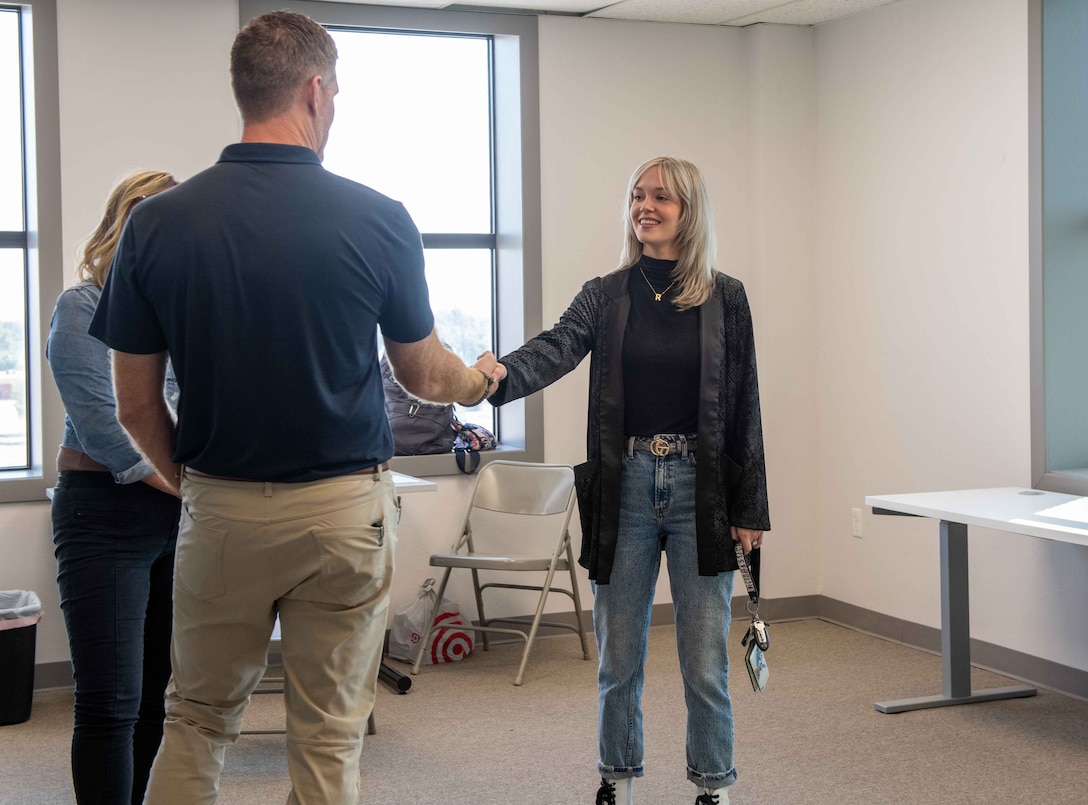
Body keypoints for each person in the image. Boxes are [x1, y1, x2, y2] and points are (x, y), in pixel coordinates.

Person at [88, 11, 494, 805]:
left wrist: (199, 487)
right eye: (335, 93)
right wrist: (478, 382)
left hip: (219, 508)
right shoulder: (378, 217)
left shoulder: (155, 224)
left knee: (196, 720)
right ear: (315, 91)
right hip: (342, 514)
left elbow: (134, 404)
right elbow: (423, 375)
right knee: (329, 736)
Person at [483, 156, 771, 805]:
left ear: (689, 210)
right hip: (627, 486)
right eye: (638, 195)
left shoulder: (726, 296)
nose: (645, 206)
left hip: (703, 488)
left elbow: (746, 401)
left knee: (705, 660)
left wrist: (750, 506)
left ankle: (713, 786)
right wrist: (498, 375)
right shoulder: (606, 294)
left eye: (661, 197)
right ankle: (617, 779)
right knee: (618, 656)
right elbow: (555, 347)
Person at [46, 170, 181, 805]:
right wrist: (187, 487)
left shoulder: (178, 315)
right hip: (104, 513)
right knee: (110, 700)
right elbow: (105, 426)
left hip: (174, 515)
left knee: (156, 695)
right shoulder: (82, 305)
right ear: (121, 228)